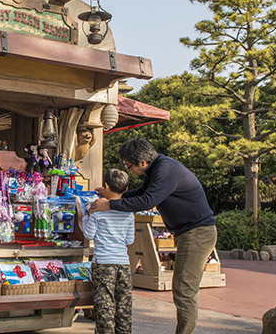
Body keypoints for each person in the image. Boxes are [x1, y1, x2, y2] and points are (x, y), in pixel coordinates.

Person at [88, 138, 216, 334]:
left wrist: (110, 204)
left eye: (128, 166)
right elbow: (141, 192)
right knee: (183, 289)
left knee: (184, 290)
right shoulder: (157, 168)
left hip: (197, 232)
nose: (128, 170)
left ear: (143, 163)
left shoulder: (165, 170)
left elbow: (147, 201)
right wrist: (112, 194)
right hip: (188, 232)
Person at [81, 168, 135, 334]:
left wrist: (86, 215)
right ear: (125, 189)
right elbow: (129, 240)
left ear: (106, 186)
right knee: (123, 305)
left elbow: (89, 234)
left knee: (105, 306)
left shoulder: (97, 212)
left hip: (103, 263)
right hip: (123, 264)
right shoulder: (129, 213)